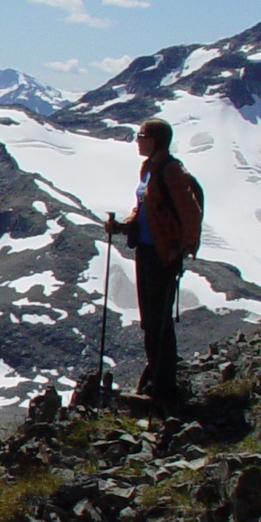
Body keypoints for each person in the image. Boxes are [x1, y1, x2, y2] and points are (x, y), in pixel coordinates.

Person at [105, 117, 203, 407]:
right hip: (147, 251)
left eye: (141, 135)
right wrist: (123, 226)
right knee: (151, 321)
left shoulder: (171, 171)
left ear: (155, 140)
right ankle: (157, 381)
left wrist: (180, 249)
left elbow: (190, 213)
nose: (137, 140)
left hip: (162, 255)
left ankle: (163, 388)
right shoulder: (149, 169)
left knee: (158, 321)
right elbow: (145, 209)